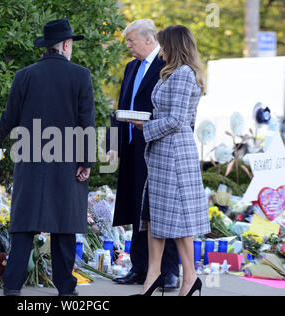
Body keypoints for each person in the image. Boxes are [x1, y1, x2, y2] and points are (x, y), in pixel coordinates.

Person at [0, 18, 95, 296]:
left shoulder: (24, 75)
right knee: (64, 228)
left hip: (30, 157)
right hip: (67, 159)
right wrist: (85, 162)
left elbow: (10, 118)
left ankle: (12, 287)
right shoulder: (81, 75)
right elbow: (87, 123)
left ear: (47, 46)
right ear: (67, 45)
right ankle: (66, 290)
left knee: (24, 227)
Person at [129, 25, 211, 296]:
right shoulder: (171, 73)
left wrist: (146, 127)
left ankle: (190, 278)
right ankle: (153, 277)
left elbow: (178, 120)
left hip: (175, 156)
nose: (161, 50)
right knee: (153, 217)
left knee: (178, 221)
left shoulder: (184, 74)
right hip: (162, 154)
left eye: (164, 45)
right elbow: (181, 119)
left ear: (175, 46)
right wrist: (147, 122)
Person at [107, 20, 180, 291]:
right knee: (137, 210)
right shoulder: (131, 67)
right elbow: (121, 108)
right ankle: (140, 268)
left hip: (157, 148)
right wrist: (112, 145)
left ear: (149, 40)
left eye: (131, 41)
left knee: (159, 212)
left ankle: (169, 271)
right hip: (130, 148)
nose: (128, 46)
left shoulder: (168, 65)